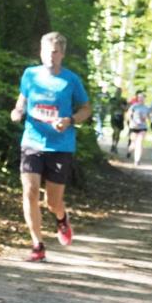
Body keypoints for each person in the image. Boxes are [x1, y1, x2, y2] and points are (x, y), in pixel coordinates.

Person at [10, 32, 92, 262]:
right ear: (40, 52)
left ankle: (61, 218)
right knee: (30, 191)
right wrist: (18, 111)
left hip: (61, 146)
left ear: (62, 54)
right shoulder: (30, 74)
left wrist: (70, 120)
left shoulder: (71, 80)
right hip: (32, 141)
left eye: (55, 51)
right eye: (47, 51)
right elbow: (22, 100)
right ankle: (38, 245)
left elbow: (86, 108)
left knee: (52, 202)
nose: (51, 55)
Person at [126, 90, 150, 166]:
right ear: (137, 98)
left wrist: (146, 118)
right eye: (140, 97)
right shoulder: (134, 106)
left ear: (144, 99)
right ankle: (129, 151)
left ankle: (137, 160)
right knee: (133, 144)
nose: (141, 99)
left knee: (139, 143)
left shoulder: (147, 108)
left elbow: (149, 118)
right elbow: (128, 116)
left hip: (143, 127)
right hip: (134, 127)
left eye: (142, 98)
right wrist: (131, 122)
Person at [108, 87, 127, 154]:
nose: (118, 93)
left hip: (120, 117)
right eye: (117, 91)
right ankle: (113, 144)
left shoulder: (123, 100)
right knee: (116, 130)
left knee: (118, 132)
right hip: (114, 117)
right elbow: (109, 108)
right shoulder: (112, 99)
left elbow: (126, 109)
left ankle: (115, 145)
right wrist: (113, 107)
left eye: (119, 92)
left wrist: (122, 106)